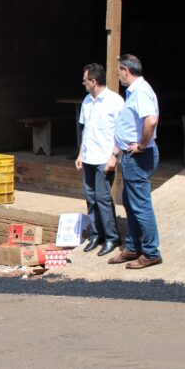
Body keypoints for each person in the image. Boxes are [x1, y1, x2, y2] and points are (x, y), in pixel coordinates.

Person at [108, 54, 162, 269]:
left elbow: (151, 120)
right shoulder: (135, 91)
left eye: (118, 70)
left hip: (138, 156)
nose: (118, 75)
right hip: (130, 157)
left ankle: (151, 252)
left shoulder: (141, 91)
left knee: (140, 205)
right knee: (130, 202)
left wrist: (140, 145)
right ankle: (132, 247)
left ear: (125, 70)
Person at [74, 63, 124, 257]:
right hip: (89, 156)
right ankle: (97, 234)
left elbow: (122, 132)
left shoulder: (115, 101)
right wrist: (80, 154)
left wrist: (114, 156)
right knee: (90, 197)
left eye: (85, 81)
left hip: (105, 157)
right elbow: (86, 129)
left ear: (93, 81)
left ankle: (112, 237)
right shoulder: (87, 101)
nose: (84, 84)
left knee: (103, 198)